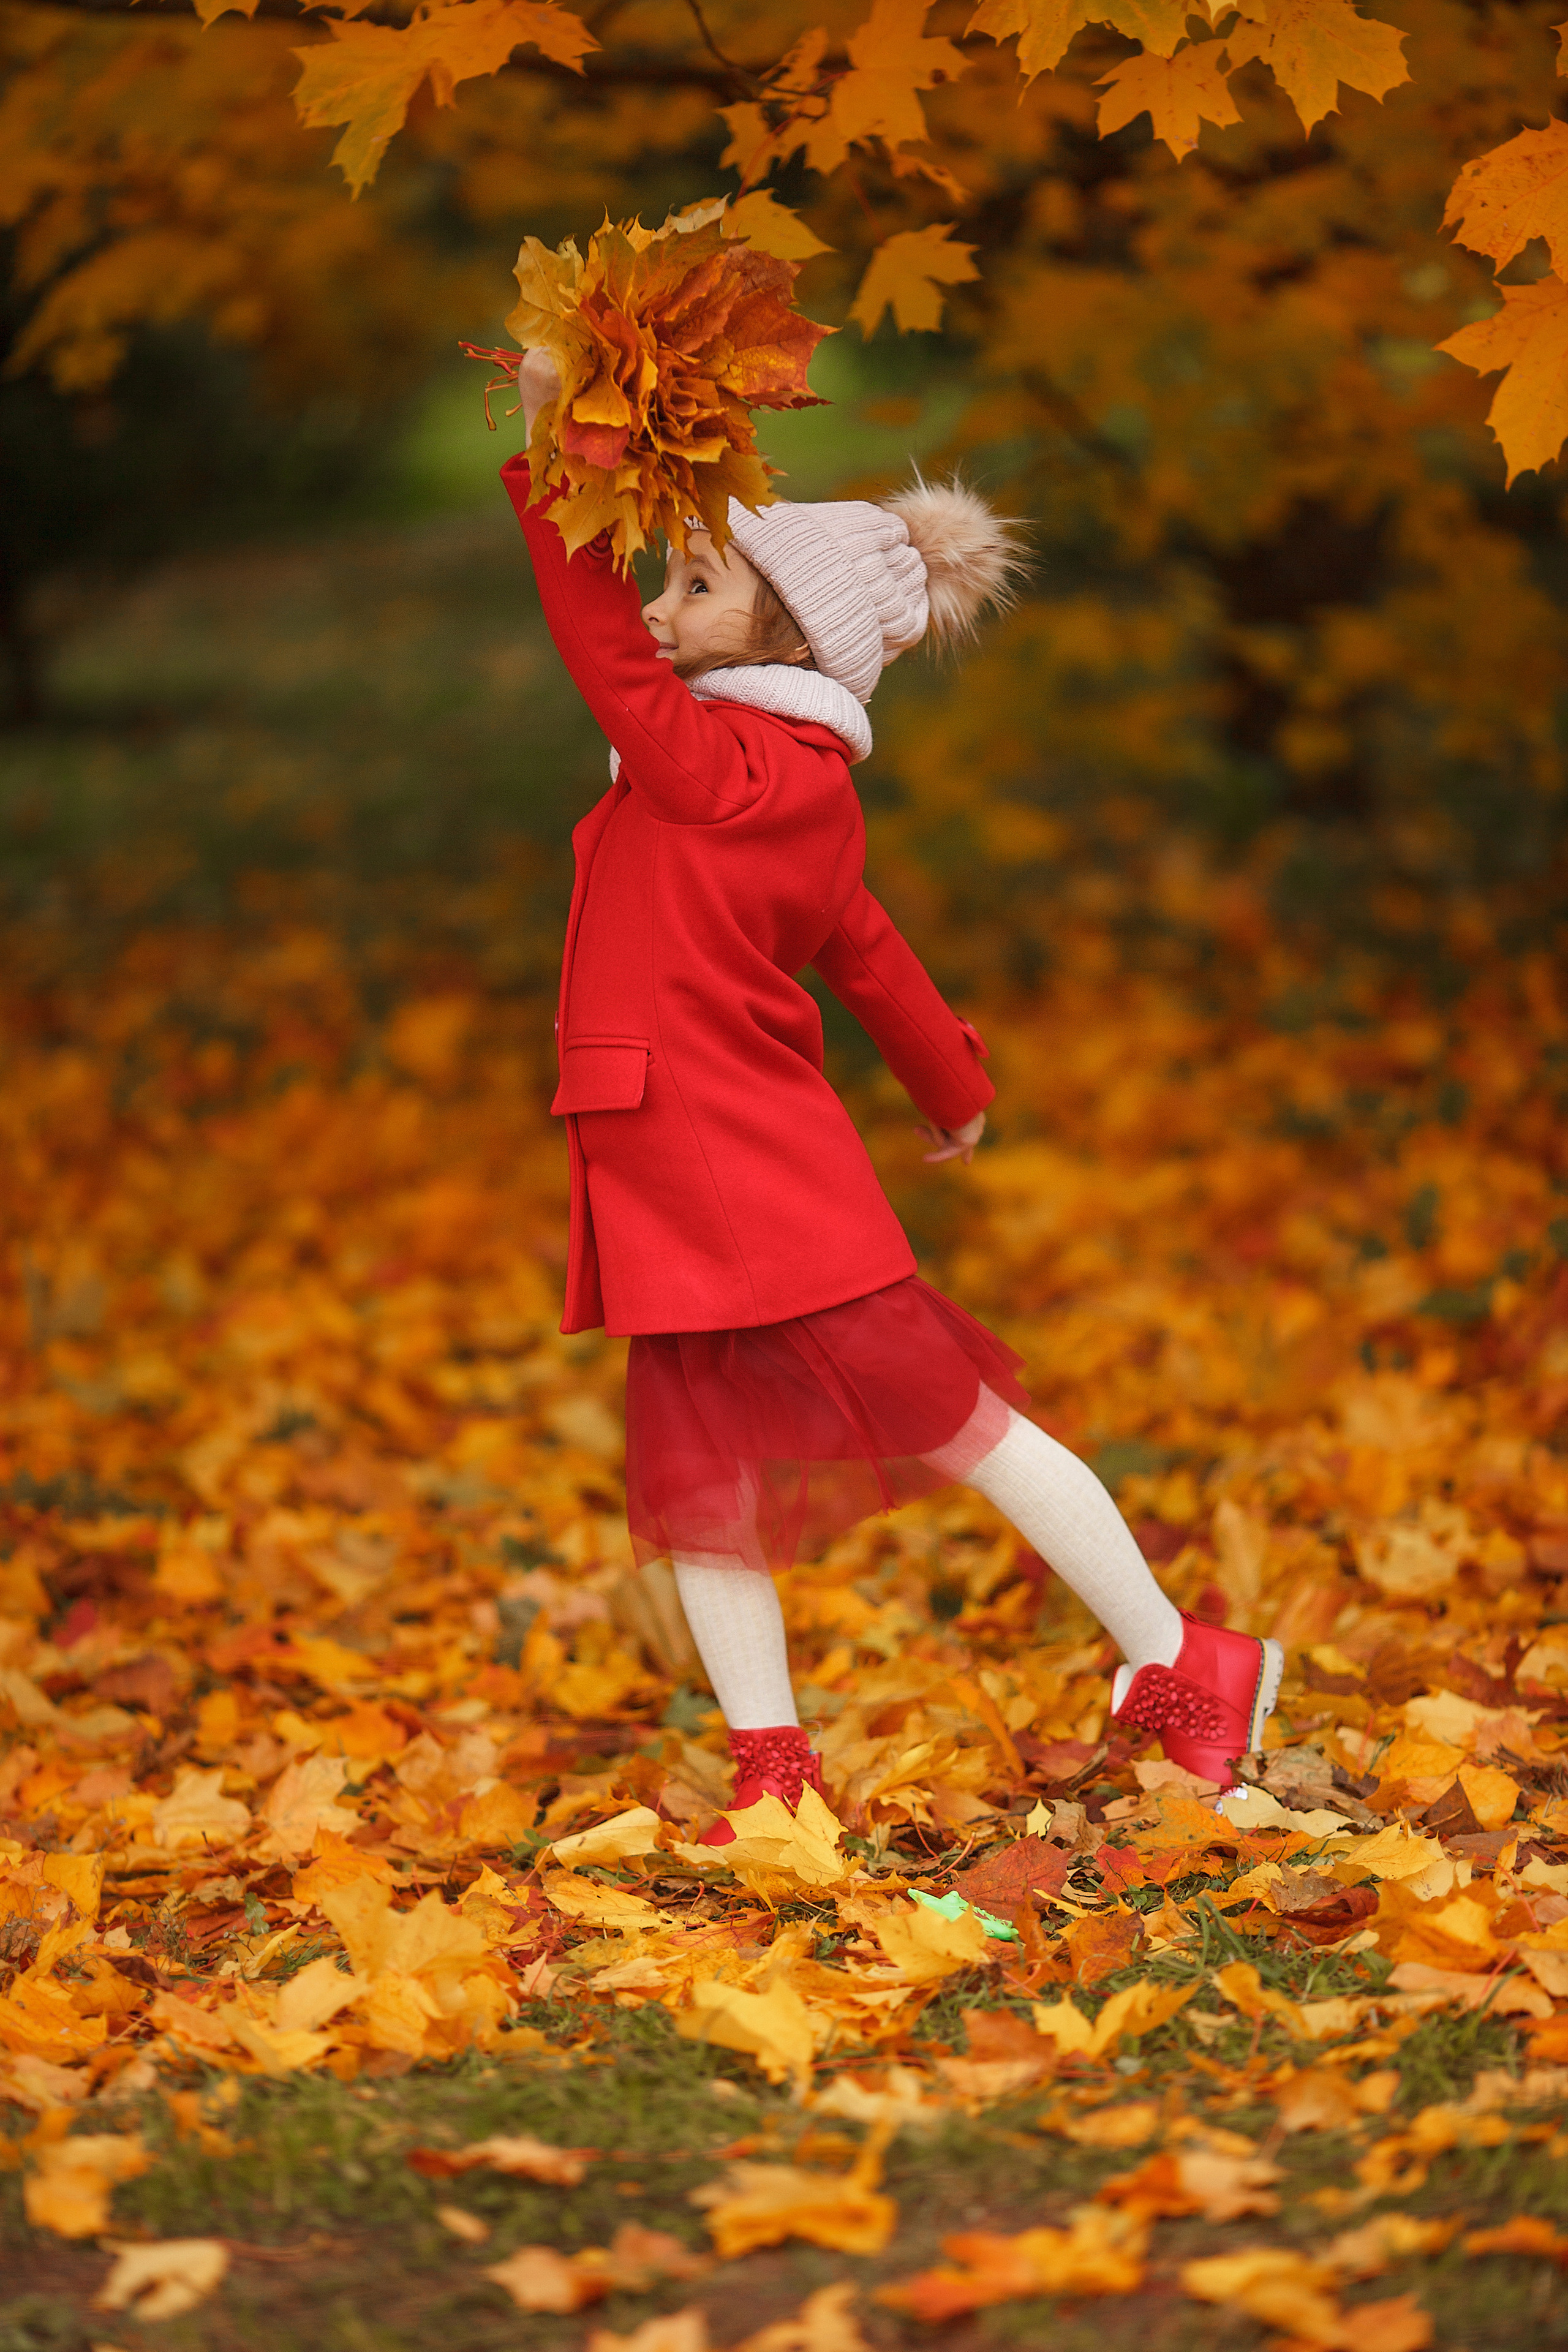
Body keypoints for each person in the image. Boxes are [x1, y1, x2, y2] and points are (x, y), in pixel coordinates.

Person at [503, 349, 1283, 1841]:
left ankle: (1184, 1659)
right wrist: (950, 1087)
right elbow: (866, 950)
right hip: (674, 1162)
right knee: (698, 1477)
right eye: (663, 582)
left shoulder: (715, 765)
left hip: (732, 1166)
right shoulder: (777, 778)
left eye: (694, 588)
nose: (659, 611)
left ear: (786, 632)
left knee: (956, 1419)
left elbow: (596, 644)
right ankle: (773, 1773)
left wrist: (566, 455)